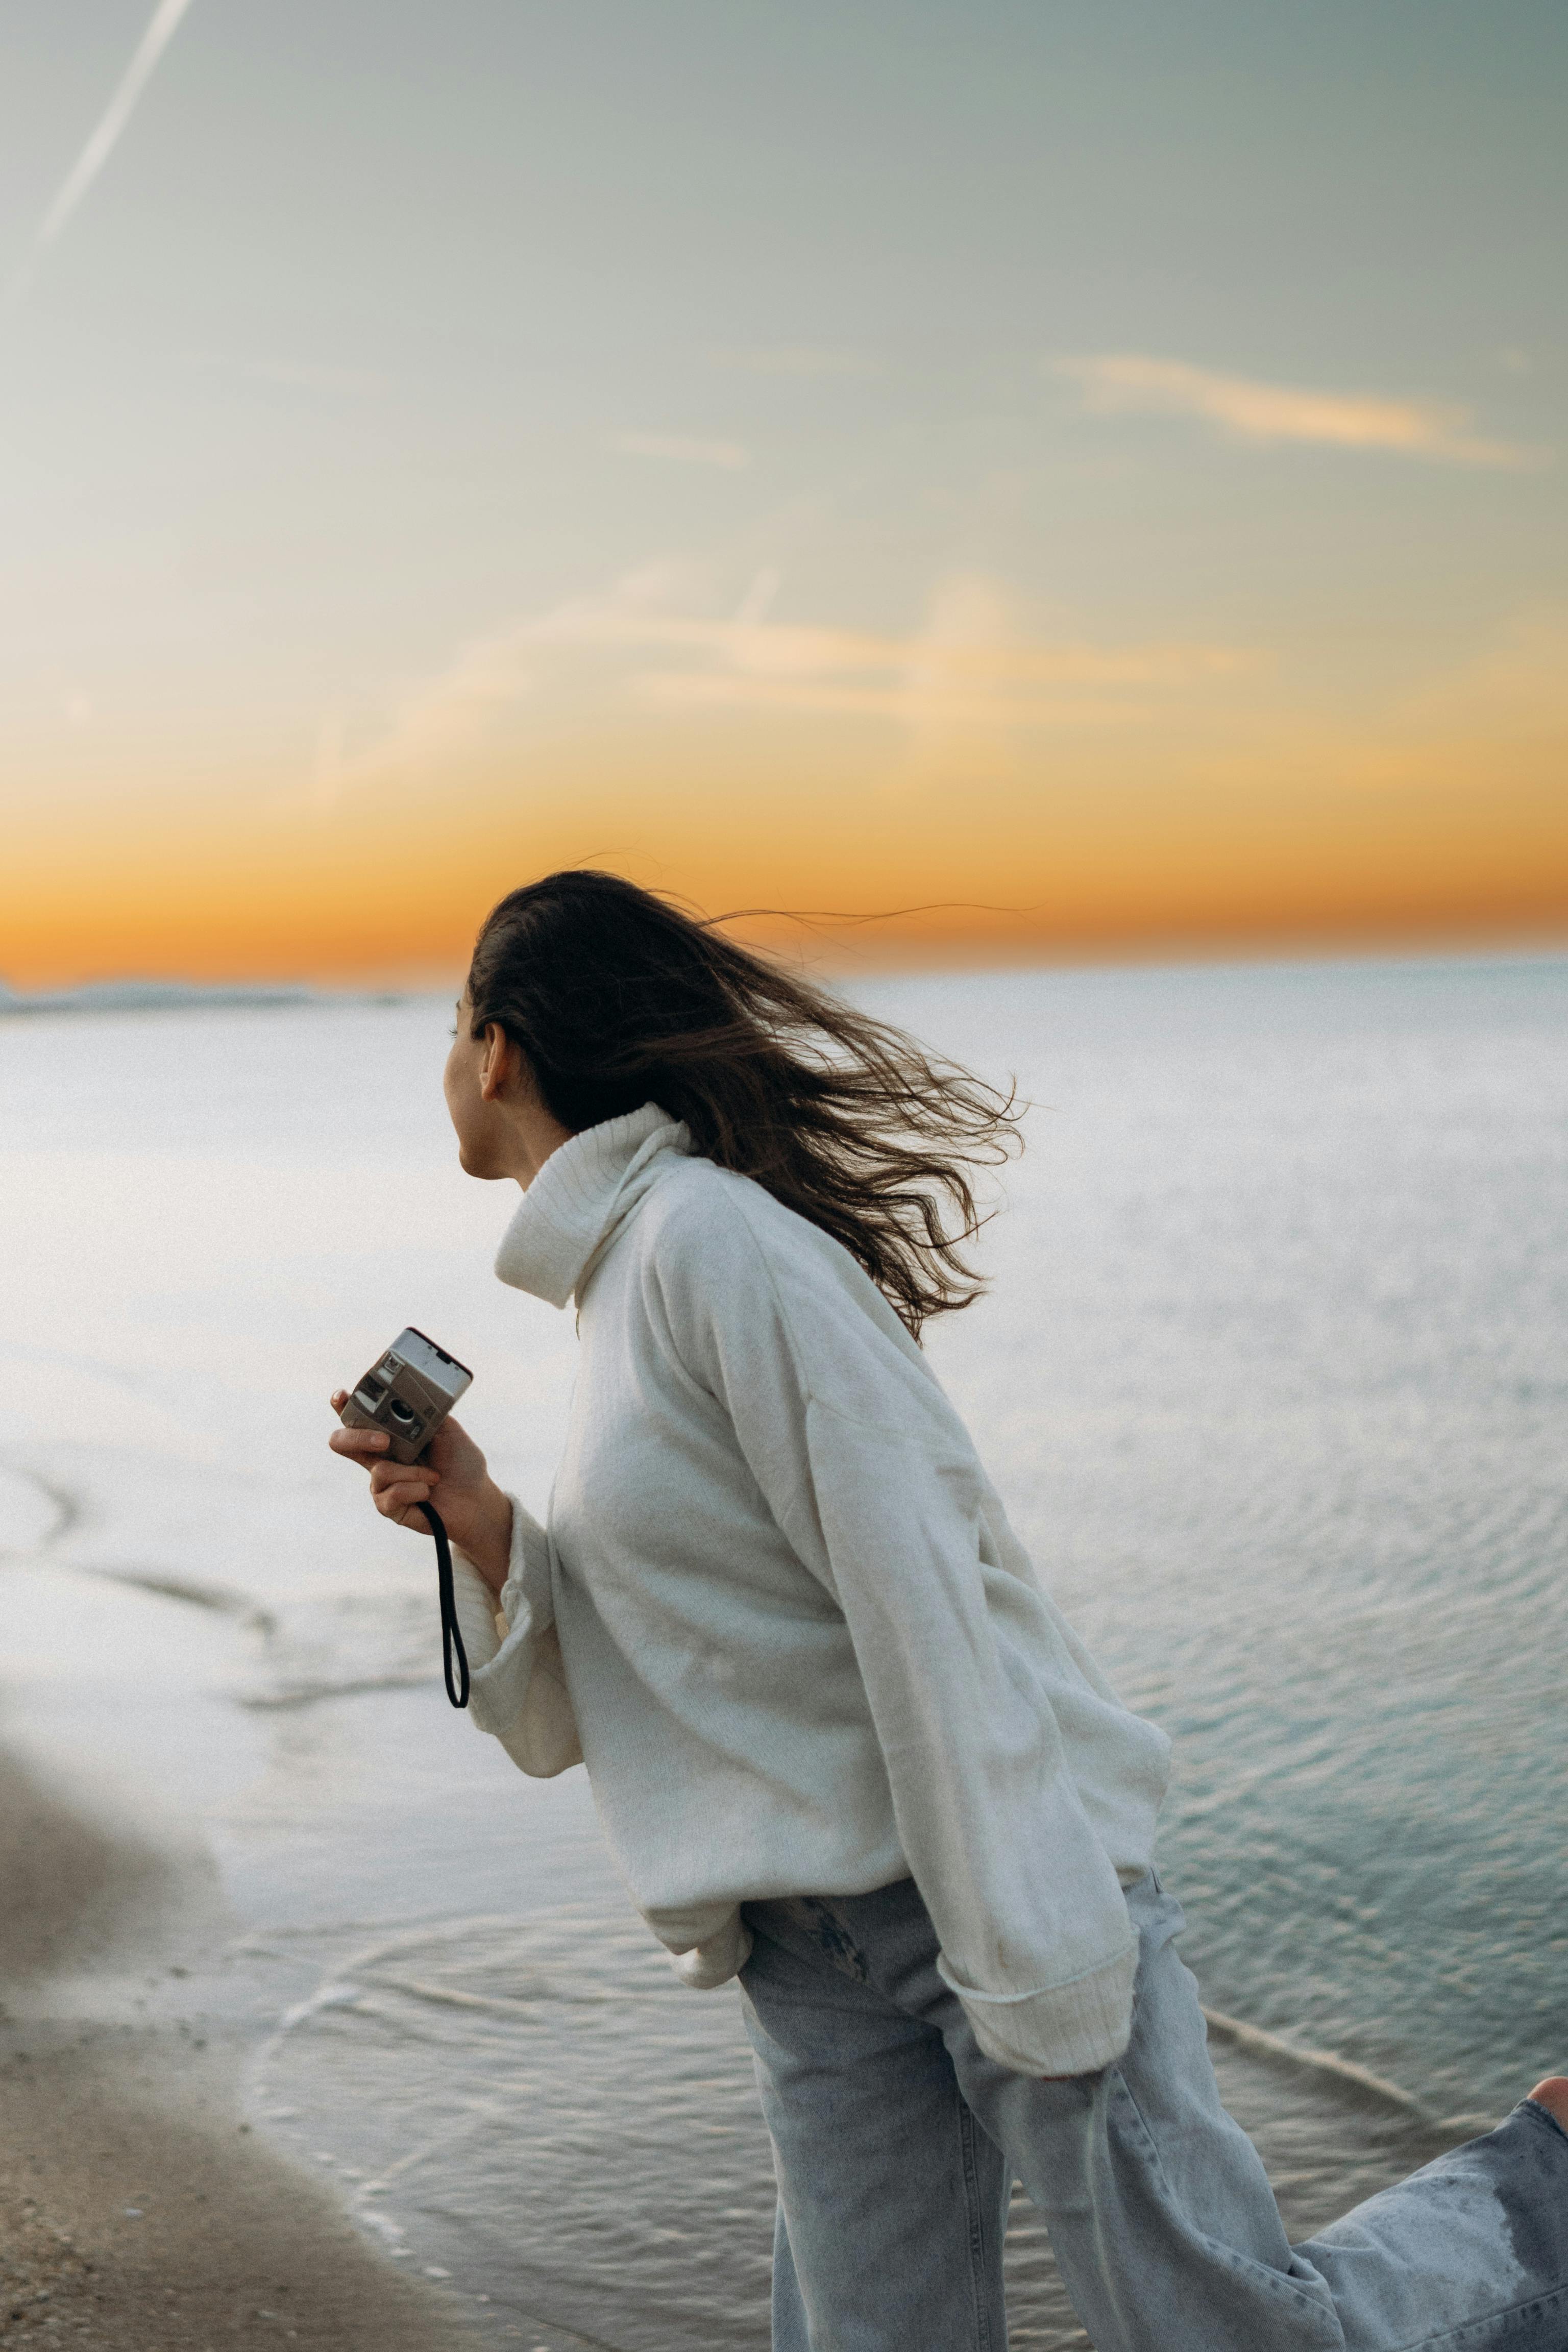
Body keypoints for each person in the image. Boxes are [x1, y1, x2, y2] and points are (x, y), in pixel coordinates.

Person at [329, 869, 1567, 2351]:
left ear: (502, 1049)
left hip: (984, 1888)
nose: (447, 1061)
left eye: (451, 1023)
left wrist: (1028, 1956)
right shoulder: (619, 1286)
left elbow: (918, 1590)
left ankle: (1541, 2179)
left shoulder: (716, 1244)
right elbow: (695, 1653)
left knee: (1232, 2337)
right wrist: (482, 1520)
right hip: (808, 1947)